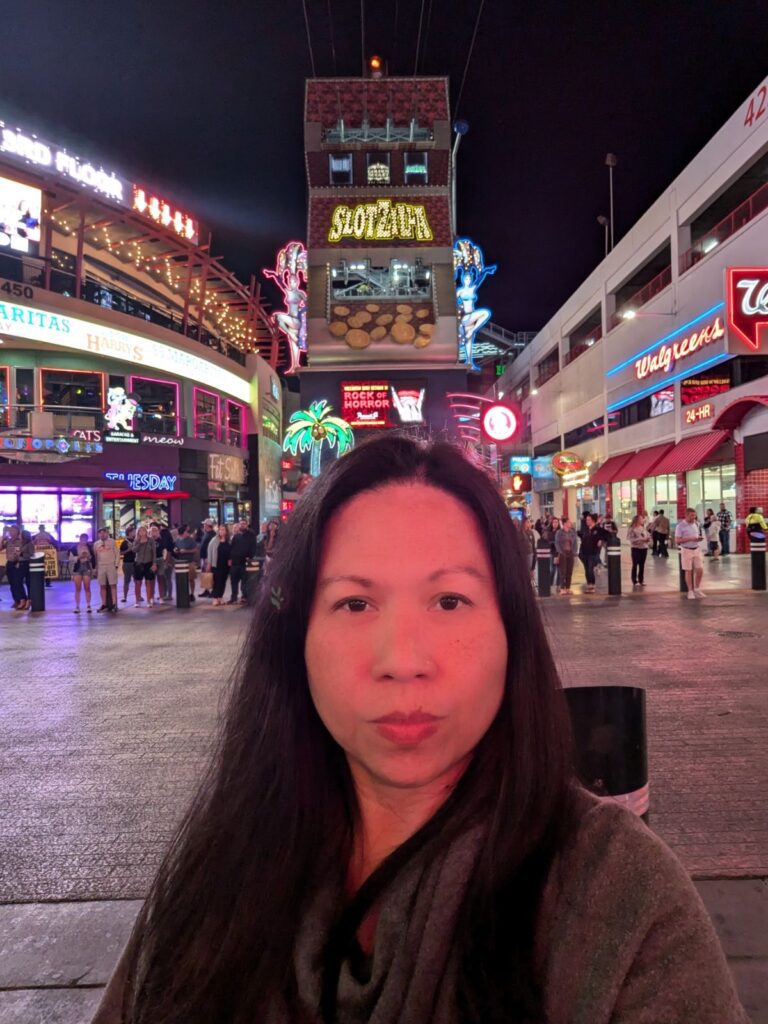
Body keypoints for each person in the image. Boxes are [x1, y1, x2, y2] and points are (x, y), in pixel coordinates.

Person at [91, 435, 747, 1024]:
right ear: (296, 640)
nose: (402, 660)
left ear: (511, 632)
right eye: (355, 602)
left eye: (450, 601)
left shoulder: (622, 899)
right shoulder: (214, 880)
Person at [675, 508, 705, 599]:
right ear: (686, 515)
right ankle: (690, 591)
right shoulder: (680, 526)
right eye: (692, 515)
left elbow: (696, 535)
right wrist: (690, 538)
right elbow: (677, 540)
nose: (694, 517)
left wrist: (698, 538)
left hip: (696, 549)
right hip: (686, 549)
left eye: (694, 515)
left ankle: (697, 588)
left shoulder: (696, 524)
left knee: (700, 569)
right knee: (688, 570)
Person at [2, 525, 31, 610]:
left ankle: (23, 599)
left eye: (13, 531)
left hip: (17, 563)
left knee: (18, 582)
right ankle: (17, 600)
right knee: (12, 583)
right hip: (9, 562)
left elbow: (23, 553)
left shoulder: (21, 541)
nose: (11, 532)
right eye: (10, 531)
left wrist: (18, 561)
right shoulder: (8, 541)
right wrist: (3, 535)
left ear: (18, 532)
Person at [228, 518, 256, 604]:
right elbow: (231, 548)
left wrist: (250, 556)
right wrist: (230, 559)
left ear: (247, 524)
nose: (242, 525)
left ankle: (244, 597)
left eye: (244, 523)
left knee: (244, 581)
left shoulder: (251, 535)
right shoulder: (236, 536)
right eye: (241, 524)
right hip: (235, 562)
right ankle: (233, 597)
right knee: (233, 581)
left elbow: (253, 547)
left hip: (244, 562)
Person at [94, 527, 120, 612]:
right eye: (100, 533)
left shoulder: (112, 542)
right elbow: (95, 557)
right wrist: (96, 568)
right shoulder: (96, 544)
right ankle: (104, 603)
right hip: (101, 566)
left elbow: (117, 553)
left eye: (104, 532)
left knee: (113, 584)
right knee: (102, 585)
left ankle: (114, 603)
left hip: (111, 565)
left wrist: (116, 564)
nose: (102, 534)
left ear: (107, 533)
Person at [132, 526, 158, 607]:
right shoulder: (136, 540)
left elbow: (154, 553)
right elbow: (134, 550)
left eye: (143, 530)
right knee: (138, 582)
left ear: (146, 532)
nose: (142, 532)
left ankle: (149, 600)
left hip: (148, 563)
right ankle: (137, 601)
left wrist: (154, 563)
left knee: (149, 582)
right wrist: (140, 543)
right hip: (139, 563)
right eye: (140, 531)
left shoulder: (151, 540)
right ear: (138, 532)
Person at [173, 525, 199, 601]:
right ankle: (184, 593)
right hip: (180, 562)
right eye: (186, 532)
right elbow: (175, 547)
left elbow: (195, 550)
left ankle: (192, 593)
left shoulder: (190, 540)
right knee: (182, 579)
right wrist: (176, 550)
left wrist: (186, 551)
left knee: (191, 579)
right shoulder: (178, 540)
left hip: (190, 561)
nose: (187, 533)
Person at [578, 513, 602, 593]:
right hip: (584, 553)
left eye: (588, 520)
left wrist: (600, 541)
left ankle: (592, 584)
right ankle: (589, 584)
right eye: (586, 520)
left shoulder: (597, 530)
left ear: (593, 521)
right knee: (586, 569)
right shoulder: (586, 530)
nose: (587, 521)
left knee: (590, 569)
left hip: (593, 553)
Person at [71, 533, 95, 613]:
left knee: (87, 587)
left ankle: (88, 605)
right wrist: (79, 557)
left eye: (85, 540)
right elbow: (71, 559)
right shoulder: (74, 548)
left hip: (86, 567)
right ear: (80, 539)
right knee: (78, 588)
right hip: (77, 568)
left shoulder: (90, 547)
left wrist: (89, 557)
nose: (84, 541)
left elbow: (93, 558)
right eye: (82, 540)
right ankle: (77, 606)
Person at [208, 524, 231, 606]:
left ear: (226, 531)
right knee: (217, 581)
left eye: (223, 529)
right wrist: (209, 563)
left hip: (225, 565)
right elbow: (210, 552)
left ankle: (220, 597)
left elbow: (230, 551)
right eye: (220, 529)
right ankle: (215, 597)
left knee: (223, 581)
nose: (221, 531)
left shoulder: (228, 540)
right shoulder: (214, 540)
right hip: (216, 564)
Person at [554, 516, 578, 594]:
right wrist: (560, 552)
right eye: (568, 522)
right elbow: (557, 543)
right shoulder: (559, 532)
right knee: (562, 571)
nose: (570, 523)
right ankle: (562, 588)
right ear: (564, 523)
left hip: (570, 553)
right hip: (562, 553)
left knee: (569, 571)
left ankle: (568, 587)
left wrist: (574, 553)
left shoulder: (572, 532)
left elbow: (575, 543)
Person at [627, 514, 651, 587]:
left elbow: (647, 535)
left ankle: (641, 579)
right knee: (635, 564)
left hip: (644, 548)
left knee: (642, 565)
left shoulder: (643, 528)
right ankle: (634, 580)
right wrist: (640, 539)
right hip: (636, 548)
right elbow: (630, 539)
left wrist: (648, 539)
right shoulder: (632, 529)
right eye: (641, 519)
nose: (642, 520)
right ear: (637, 520)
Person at [198, 520, 217, 597]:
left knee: (210, 574)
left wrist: (208, 558)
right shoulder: (206, 534)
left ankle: (213, 590)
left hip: (208, 558)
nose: (203, 526)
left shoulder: (213, 535)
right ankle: (206, 589)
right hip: (203, 557)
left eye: (205, 524)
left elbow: (212, 548)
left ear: (208, 525)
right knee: (205, 574)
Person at [119, 526, 136, 602]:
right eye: (133, 531)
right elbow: (121, 553)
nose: (135, 533)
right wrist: (128, 550)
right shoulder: (124, 542)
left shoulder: (136, 541)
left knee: (137, 580)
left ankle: (138, 596)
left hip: (136, 562)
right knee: (126, 580)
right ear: (129, 533)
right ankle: (124, 597)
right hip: (127, 563)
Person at [521, 516, 537, 583]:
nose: (529, 523)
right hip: (523, 555)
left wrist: (534, 555)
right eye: (527, 522)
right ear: (523, 523)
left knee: (529, 572)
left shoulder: (531, 532)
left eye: (529, 522)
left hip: (530, 554)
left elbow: (533, 545)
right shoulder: (520, 532)